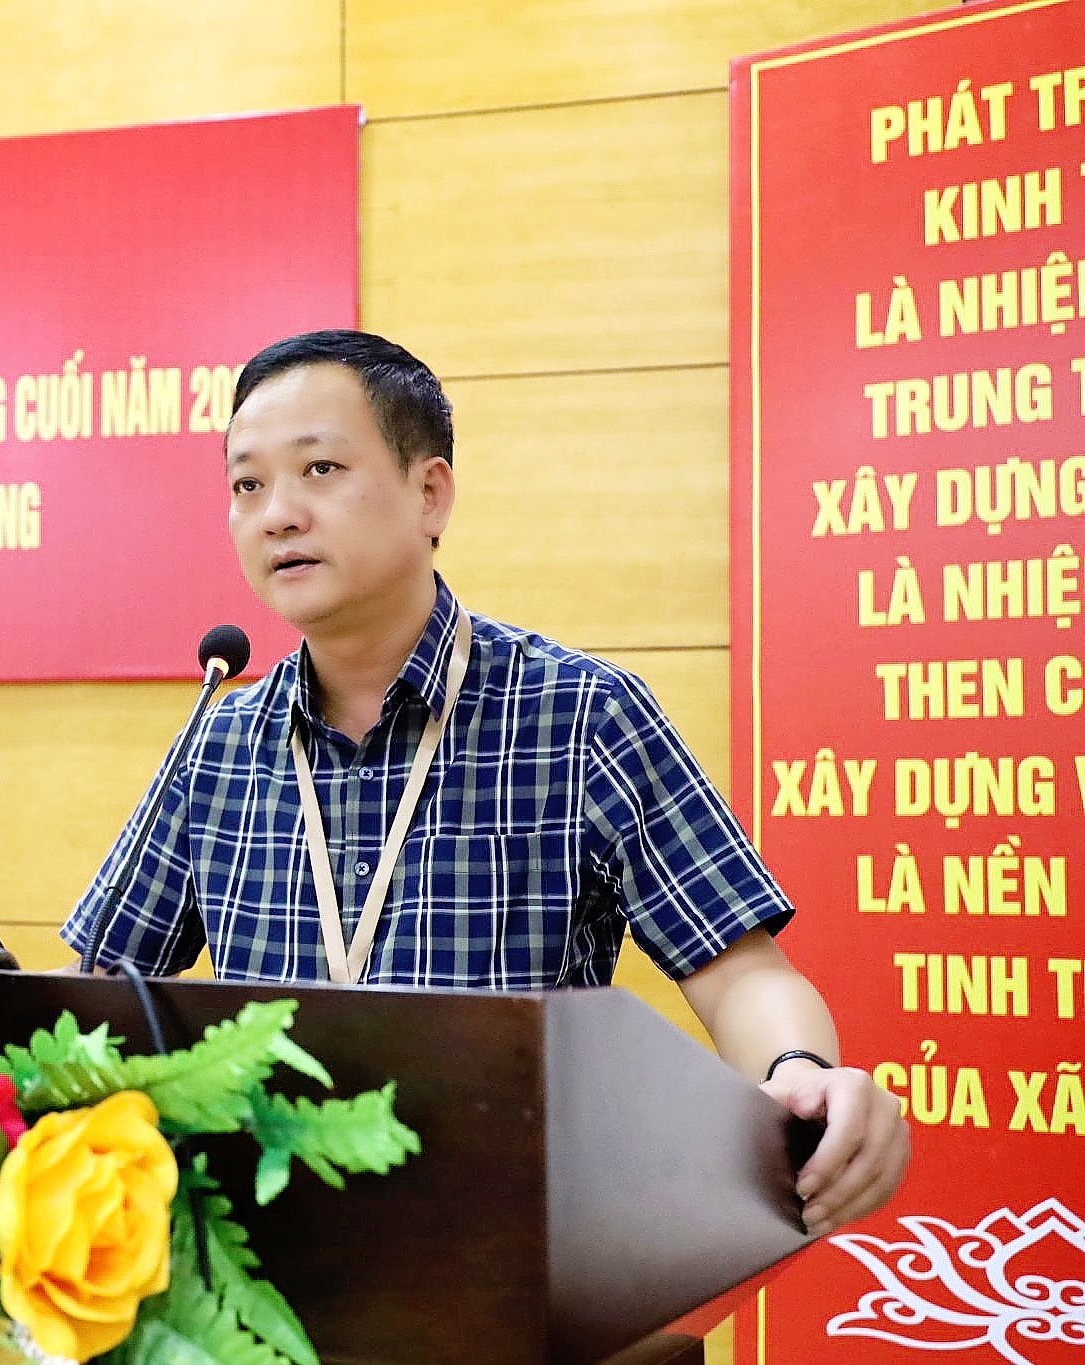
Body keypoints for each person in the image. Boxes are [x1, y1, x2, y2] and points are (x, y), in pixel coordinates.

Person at [60, 329, 909, 1236]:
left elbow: (738, 972)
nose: (277, 515)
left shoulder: (582, 715)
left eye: (319, 469)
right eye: (247, 485)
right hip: (267, 1254)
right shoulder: (217, 742)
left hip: (515, 1241)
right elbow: (93, 993)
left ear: (430, 493)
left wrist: (798, 1070)